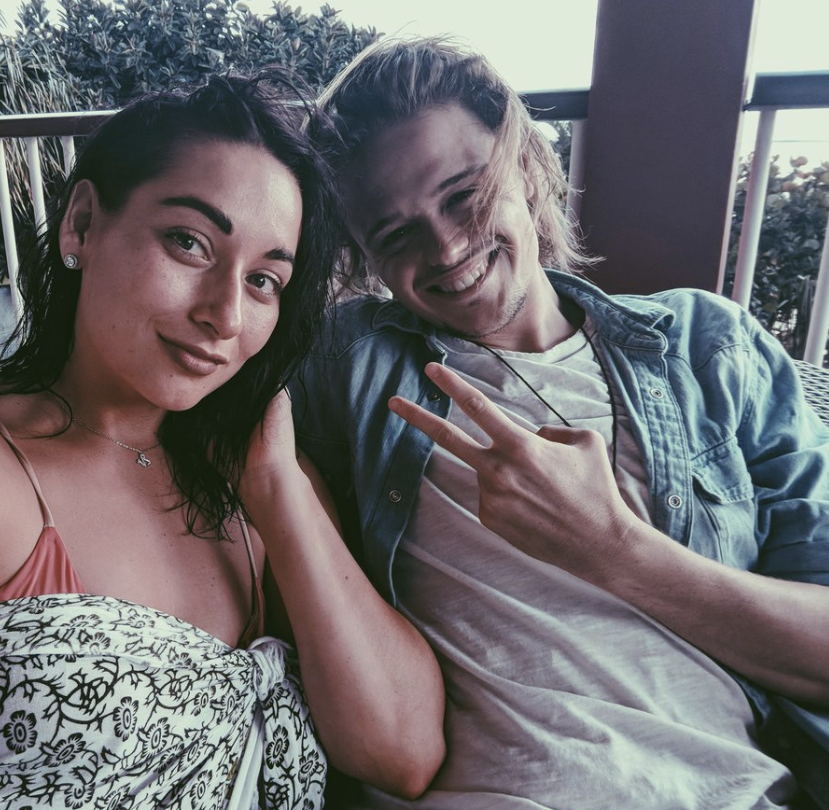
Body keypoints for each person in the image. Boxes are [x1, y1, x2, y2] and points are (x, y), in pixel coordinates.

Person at [0, 75, 445, 808]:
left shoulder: (262, 485)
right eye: (189, 243)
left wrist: (280, 495)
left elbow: (402, 754)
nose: (225, 315)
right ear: (82, 224)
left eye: (265, 281)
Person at [293, 36, 829, 809]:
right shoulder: (345, 363)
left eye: (463, 195)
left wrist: (611, 547)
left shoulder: (708, 348)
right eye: (395, 234)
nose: (446, 247)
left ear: (527, 165)